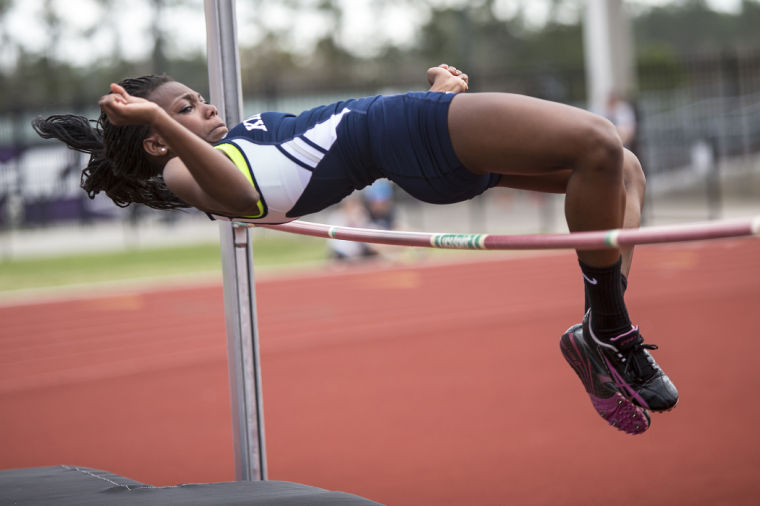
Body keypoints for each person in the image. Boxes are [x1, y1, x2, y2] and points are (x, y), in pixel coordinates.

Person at [32, 63, 677, 435]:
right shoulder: (189, 171)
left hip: (405, 135)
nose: (209, 108)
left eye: (196, 101)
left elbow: (328, 139)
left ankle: (598, 332)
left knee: (624, 171)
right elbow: (246, 199)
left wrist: (438, 101)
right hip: (397, 134)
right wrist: (156, 118)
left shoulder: (218, 149)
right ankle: (611, 331)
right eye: (189, 108)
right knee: (598, 141)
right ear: (157, 141)